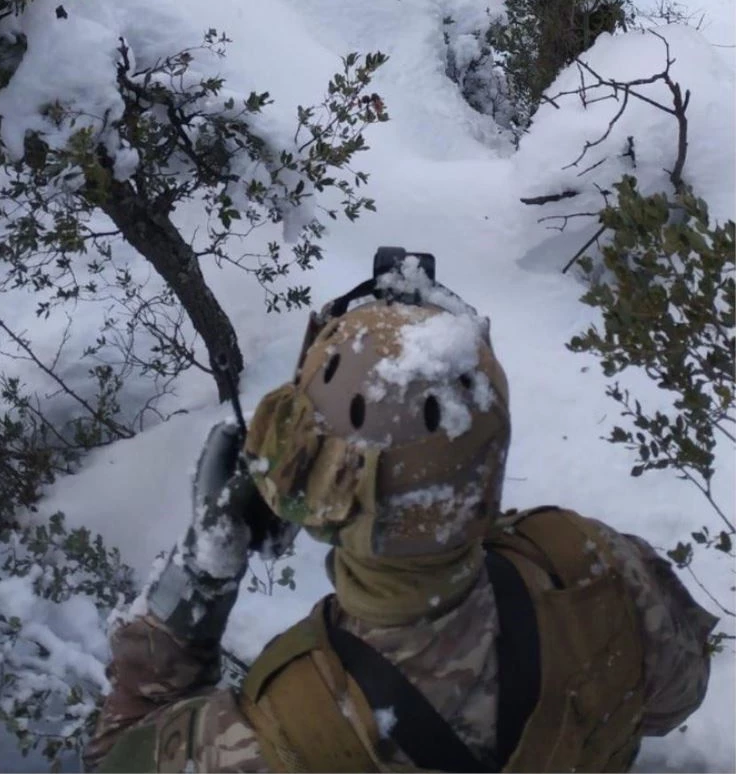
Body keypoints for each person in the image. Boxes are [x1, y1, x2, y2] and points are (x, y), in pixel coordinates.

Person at [86, 249, 716, 774]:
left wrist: (202, 573)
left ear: (313, 493)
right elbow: (675, 697)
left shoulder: (270, 737)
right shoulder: (590, 562)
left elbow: (116, 755)